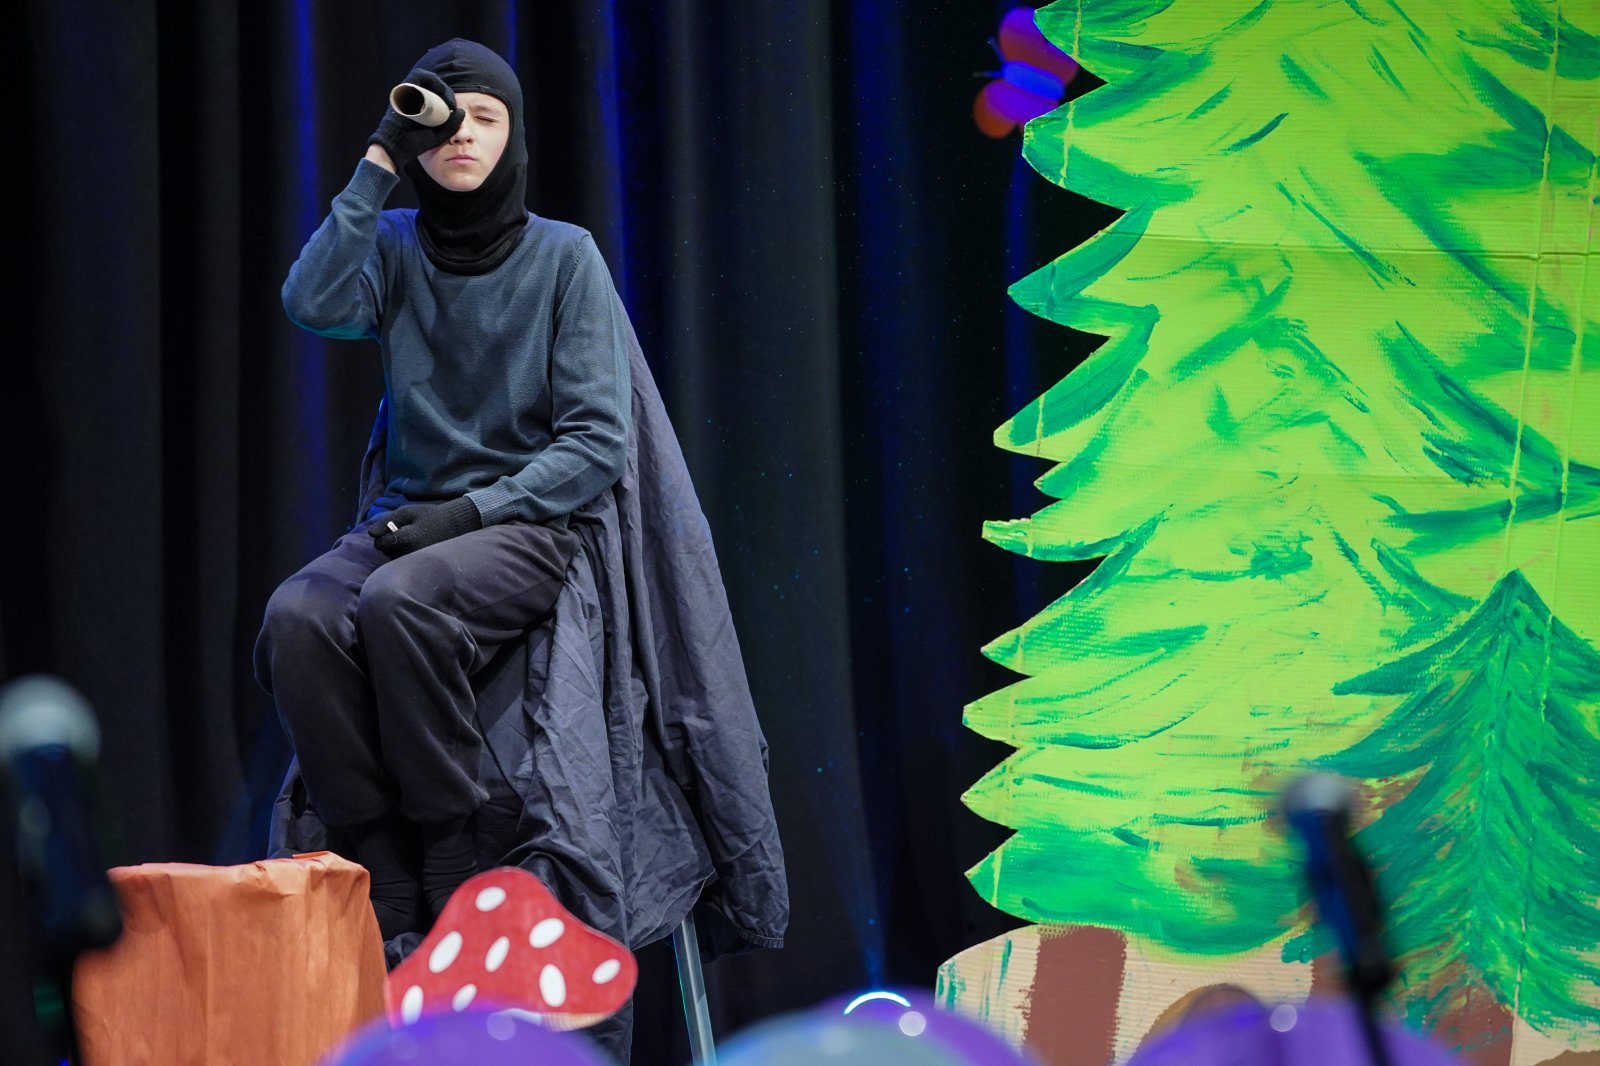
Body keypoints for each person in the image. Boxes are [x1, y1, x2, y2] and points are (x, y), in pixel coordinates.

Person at [254, 38, 631, 945]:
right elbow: (310, 302)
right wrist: (379, 159)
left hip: (526, 522)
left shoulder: (564, 256)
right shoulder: (392, 246)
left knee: (401, 601)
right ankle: (378, 856)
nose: (462, 134)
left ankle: (452, 851)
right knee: (297, 617)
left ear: (515, 136)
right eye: (443, 122)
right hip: (407, 520)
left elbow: (597, 443)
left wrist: (468, 514)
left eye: (485, 118)